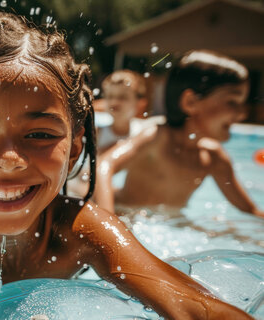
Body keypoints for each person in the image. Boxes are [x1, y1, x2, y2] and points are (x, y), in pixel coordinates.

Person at [0, 13, 263, 320]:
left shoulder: (83, 230)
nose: (7, 158)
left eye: (39, 134)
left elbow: (198, 311)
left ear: (73, 151)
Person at [94, 49, 264, 218]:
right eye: (232, 102)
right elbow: (103, 166)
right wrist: (108, 222)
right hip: (124, 212)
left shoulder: (214, 158)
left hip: (166, 223)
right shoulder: (157, 137)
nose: (242, 113)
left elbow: (251, 212)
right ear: (190, 102)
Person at [96, 70, 150, 153]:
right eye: (110, 96)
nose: (115, 102)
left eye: (123, 97)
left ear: (139, 103)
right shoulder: (96, 133)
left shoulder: (144, 132)